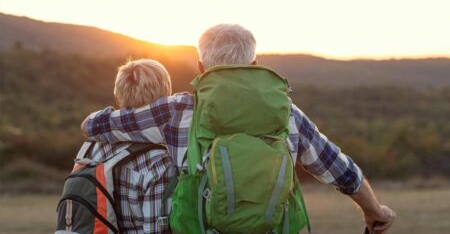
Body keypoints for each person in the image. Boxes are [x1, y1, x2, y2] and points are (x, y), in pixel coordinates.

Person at [82, 24, 396, 234]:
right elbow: (340, 170)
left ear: (202, 67)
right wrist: (374, 211)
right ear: (255, 64)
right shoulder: (287, 114)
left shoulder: (175, 111)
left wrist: (97, 119)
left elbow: (97, 126)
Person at [81, 59, 174, 234]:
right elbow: (156, 230)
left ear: (118, 94)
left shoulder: (91, 146)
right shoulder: (158, 161)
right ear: (165, 95)